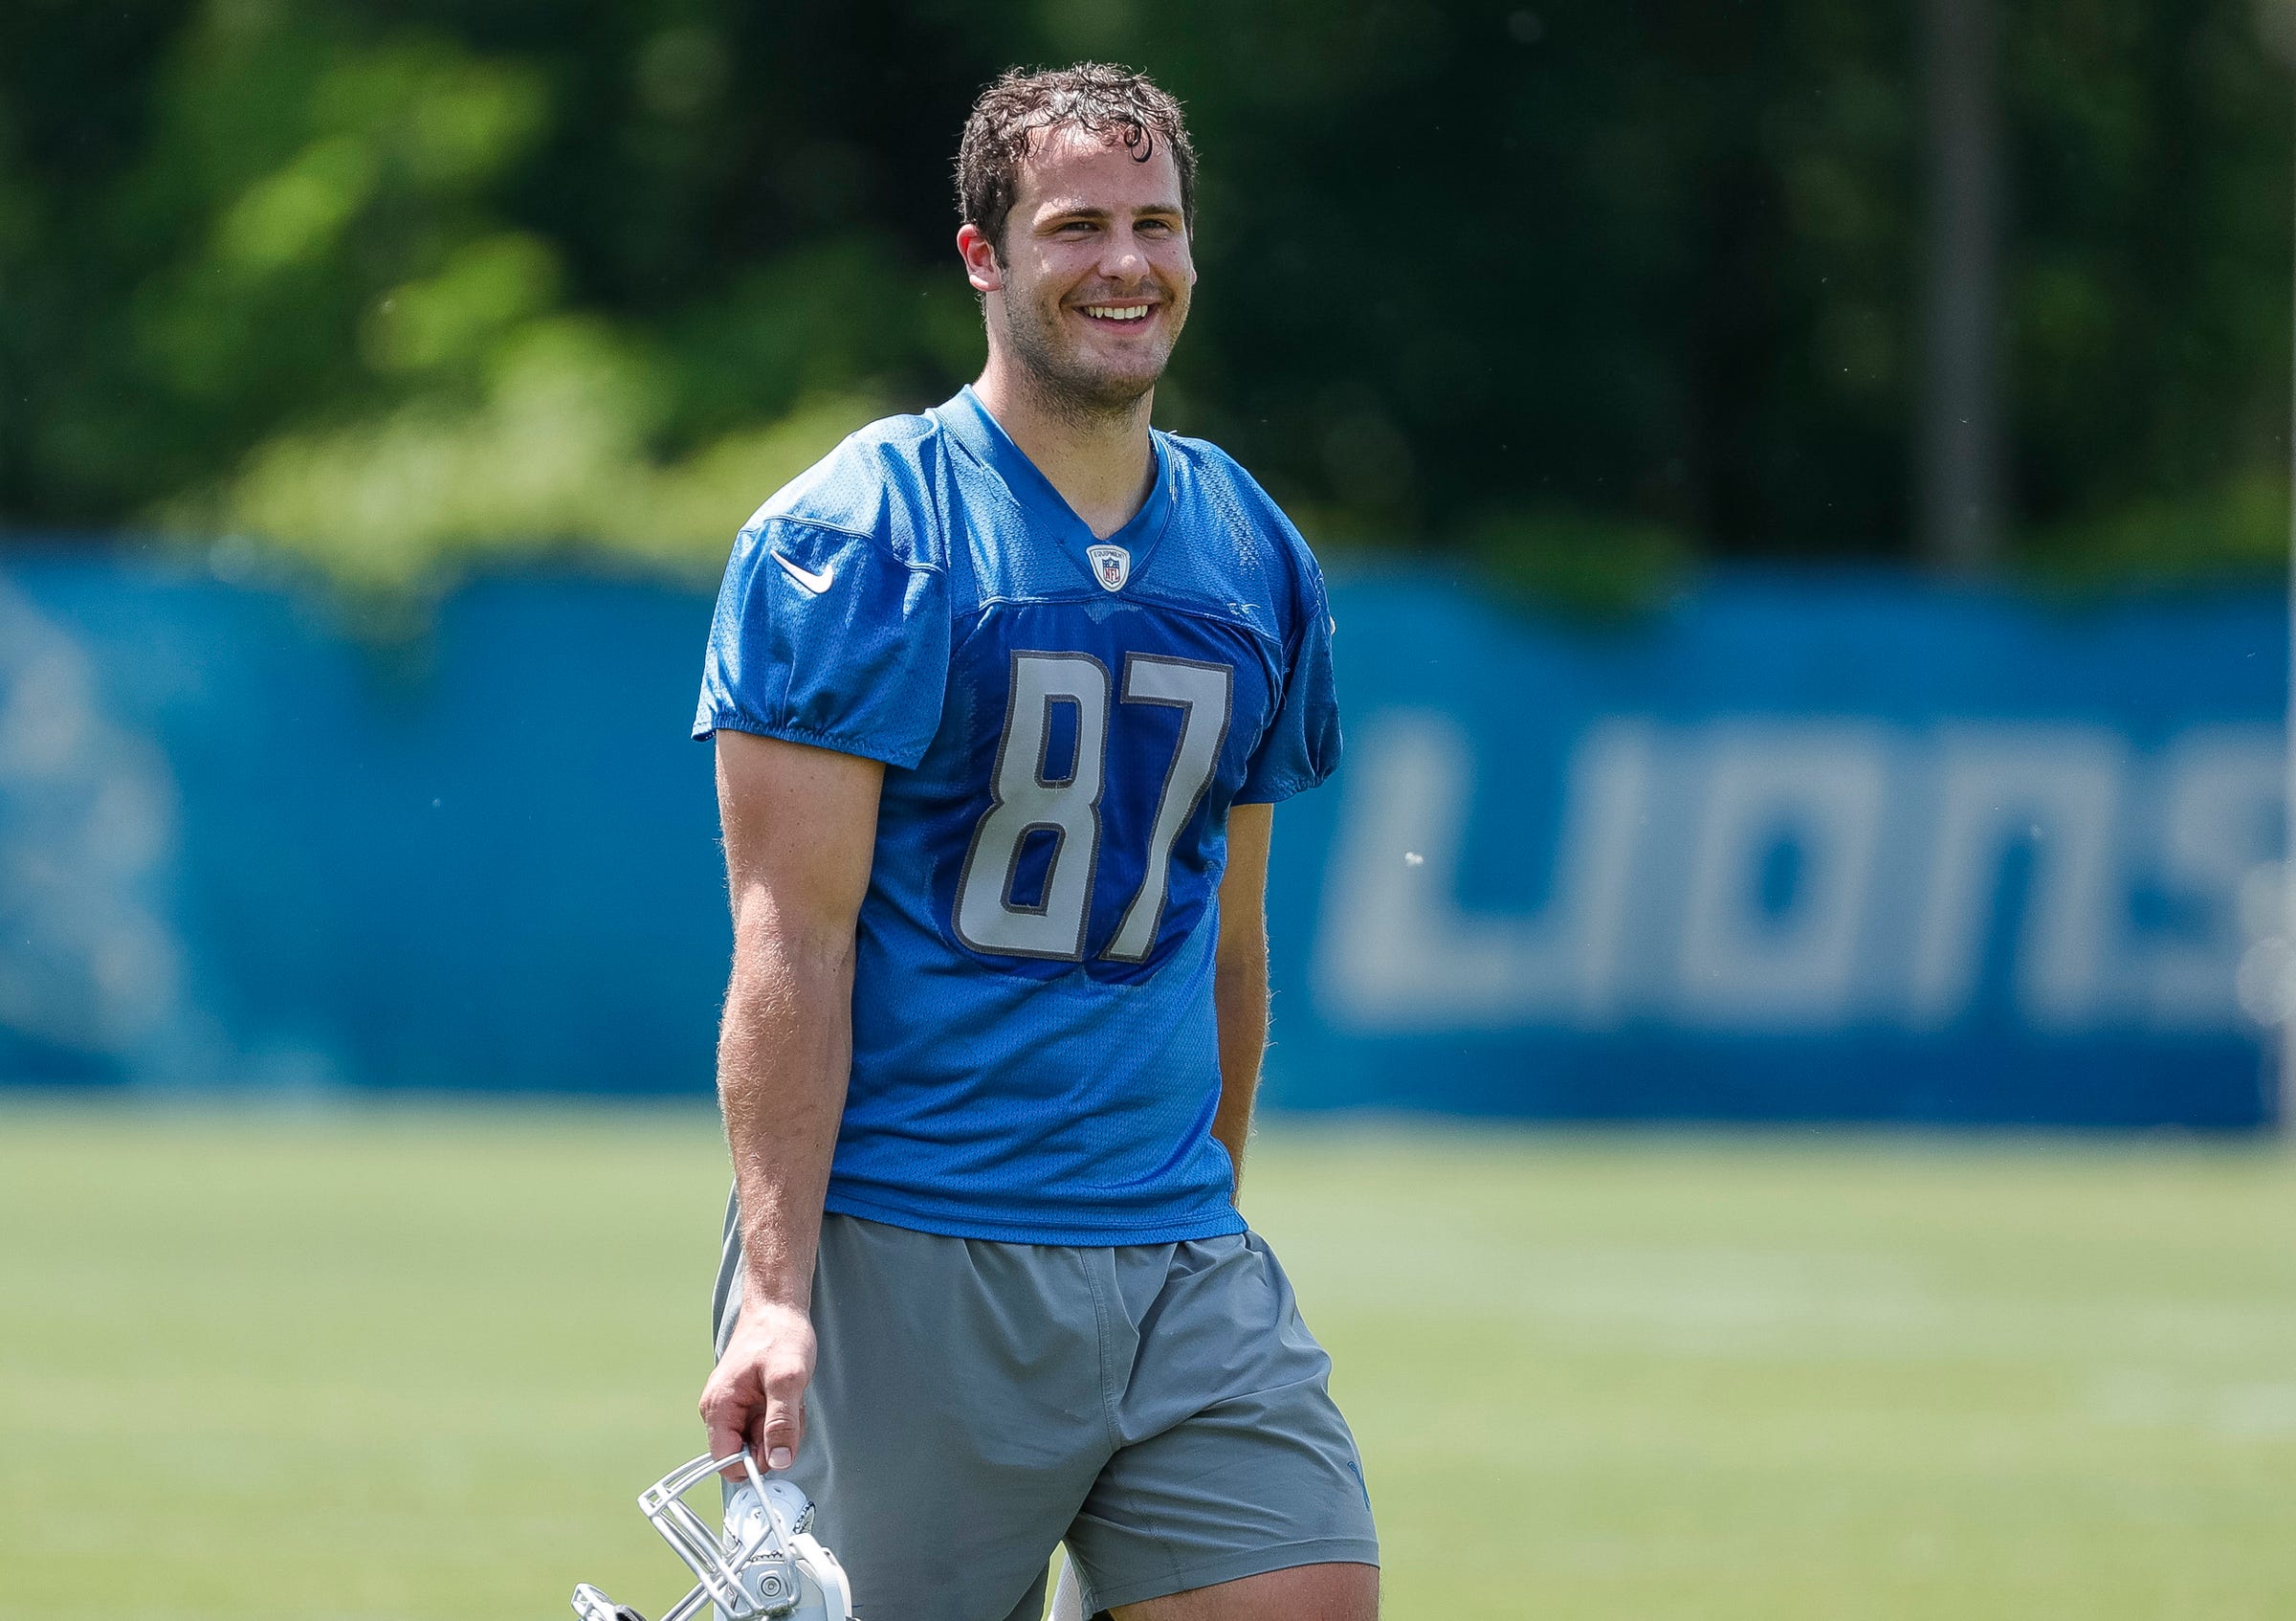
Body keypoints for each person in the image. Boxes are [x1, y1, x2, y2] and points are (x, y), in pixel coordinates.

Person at [690, 62, 1378, 1621]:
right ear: (983, 257)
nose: (1126, 263)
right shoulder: (856, 533)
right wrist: (778, 1294)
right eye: (1076, 227)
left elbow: (1232, 939)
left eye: (1157, 224)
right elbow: (789, 934)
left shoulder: (1254, 546)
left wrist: (1208, 1201)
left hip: (1169, 1245)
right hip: (918, 1245)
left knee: (1307, 1593)